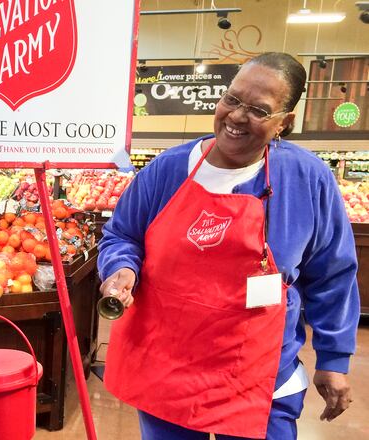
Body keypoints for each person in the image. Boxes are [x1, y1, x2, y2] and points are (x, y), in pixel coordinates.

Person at [97, 52, 359, 439]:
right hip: (170, 369)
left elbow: (332, 274)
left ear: (285, 122)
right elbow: (123, 235)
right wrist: (121, 267)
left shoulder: (307, 180)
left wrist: (333, 359)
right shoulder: (168, 169)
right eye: (232, 99)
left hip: (260, 375)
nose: (237, 116)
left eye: (258, 109)